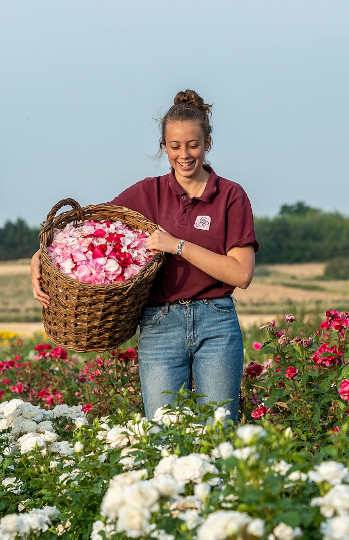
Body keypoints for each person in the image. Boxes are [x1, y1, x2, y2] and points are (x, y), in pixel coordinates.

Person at [32, 89, 259, 424]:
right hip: (159, 324)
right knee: (162, 434)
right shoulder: (146, 193)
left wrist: (177, 245)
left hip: (217, 323)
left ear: (208, 143)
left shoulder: (230, 196)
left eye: (193, 144)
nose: (184, 155)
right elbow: (87, 232)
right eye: (175, 146)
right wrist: (39, 256)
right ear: (164, 146)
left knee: (219, 433)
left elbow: (241, 275)